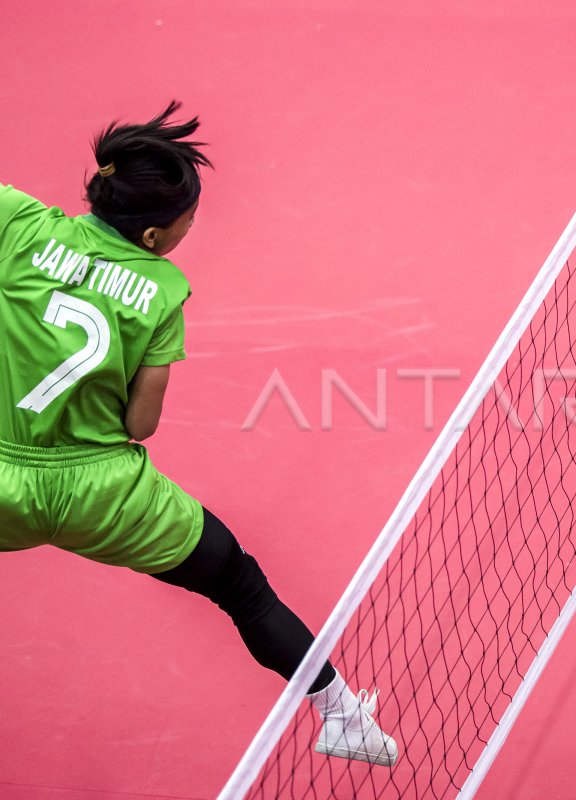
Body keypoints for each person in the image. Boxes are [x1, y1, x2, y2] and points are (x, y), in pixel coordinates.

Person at [0, 102, 397, 767]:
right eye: (189, 219)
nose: (193, 224)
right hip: (105, 496)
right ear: (154, 237)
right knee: (239, 584)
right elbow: (140, 424)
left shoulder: (16, 223)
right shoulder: (162, 290)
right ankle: (343, 718)